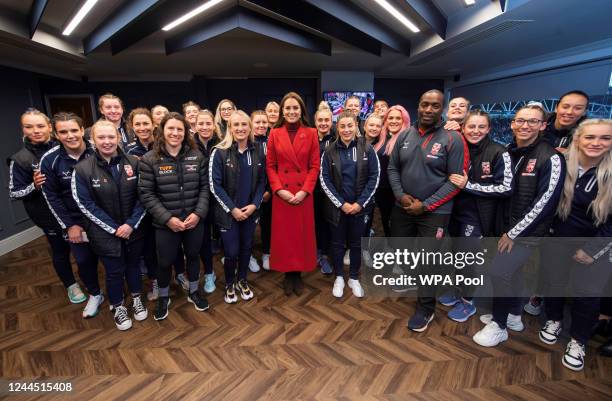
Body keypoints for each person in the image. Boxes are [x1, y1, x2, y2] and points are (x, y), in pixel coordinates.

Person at [472, 103, 565, 347]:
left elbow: (546, 201)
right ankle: (513, 315)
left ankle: (500, 326)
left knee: (499, 271)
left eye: (532, 121)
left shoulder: (550, 157)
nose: (525, 125)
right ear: (512, 124)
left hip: (526, 232)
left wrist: (514, 232)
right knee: (511, 273)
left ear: (543, 125)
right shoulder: (510, 151)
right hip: (507, 227)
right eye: (520, 121)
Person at [388, 90, 468, 332]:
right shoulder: (405, 135)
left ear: (441, 108)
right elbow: (392, 169)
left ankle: (426, 308)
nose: (429, 109)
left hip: (435, 212)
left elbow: (455, 180)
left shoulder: (453, 139)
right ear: (418, 106)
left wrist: (426, 205)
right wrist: (402, 197)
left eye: (435, 105)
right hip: (403, 206)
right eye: (425, 104)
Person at [536, 119, 611, 371]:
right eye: (590, 137)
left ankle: (579, 340)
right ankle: (554, 320)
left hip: (596, 243)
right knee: (553, 282)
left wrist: (592, 250)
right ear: (578, 139)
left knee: (587, 295)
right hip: (557, 237)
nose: (596, 143)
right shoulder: (560, 163)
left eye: (605, 138)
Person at [72, 120, 148, 330]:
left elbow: (145, 197)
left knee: (133, 266)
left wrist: (130, 224)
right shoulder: (82, 169)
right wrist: (114, 228)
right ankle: (118, 306)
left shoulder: (134, 163)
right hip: (105, 234)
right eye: (101, 137)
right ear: (92, 140)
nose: (107, 141)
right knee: (114, 272)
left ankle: (136, 297)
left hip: (133, 229)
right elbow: (84, 204)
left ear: (119, 138)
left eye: (111, 137)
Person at [8, 109, 85, 304]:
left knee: (83, 250)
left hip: (75, 211)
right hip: (47, 215)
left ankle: (89, 281)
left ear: (50, 128)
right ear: (23, 130)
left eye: (40, 126)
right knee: (60, 251)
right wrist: (34, 186)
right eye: (29, 126)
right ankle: (71, 285)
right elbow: (14, 192)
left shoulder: (64, 148)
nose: (35, 130)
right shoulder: (21, 159)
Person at [138, 112, 210, 320]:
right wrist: (168, 219)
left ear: (186, 132)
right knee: (165, 262)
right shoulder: (150, 159)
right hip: (165, 224)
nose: (175, 133)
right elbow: (147, 194)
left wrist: (198, 214)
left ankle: (194, 292)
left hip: (193, 221)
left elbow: (205, 188)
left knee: (194, 257)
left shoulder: (197, 156)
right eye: (171, 128)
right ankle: (163, 297)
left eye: (180, 129)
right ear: (162, 131)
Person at [443, 110, 513, 322]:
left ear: (489, 129)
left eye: (481, 127)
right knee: (457, 257)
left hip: (476, 217)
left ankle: (468, 302)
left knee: (467, 260)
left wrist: (469, 185)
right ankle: (458, 291)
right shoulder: (457, 146)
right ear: (463, 128)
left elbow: (506, 188)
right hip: (455, 212)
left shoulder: (498, 152)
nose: (476, 131)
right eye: (471, 126)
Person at [523, 91, 589, 316]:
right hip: (537, 195)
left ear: (584, 111)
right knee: (537, 252)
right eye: (566, 106)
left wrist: (570, 156)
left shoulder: (584, 134)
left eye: (578, 108)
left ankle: (547, 298)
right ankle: (537, 293)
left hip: (568, 202)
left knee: (557, 255)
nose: (571, 112)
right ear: (557, 106)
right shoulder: (541, 126)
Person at [40, 112, 102, 318]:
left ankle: (119, 296)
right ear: (56, 134)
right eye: (63, 132)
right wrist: (69, 226)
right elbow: (51, 197)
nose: (70, 136)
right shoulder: (50, 160)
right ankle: (95, 294)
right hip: (75, 222)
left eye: (74, 130)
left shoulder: (98, 151)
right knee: (84, 261)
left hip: (103, 218)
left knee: (113, 260)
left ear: (82, 130)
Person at [125, 108, 187, 300]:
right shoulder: (127, 151)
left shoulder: (162, 144)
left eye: (146, 123)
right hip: (141, 208)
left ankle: (181, 274)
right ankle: (157, 281)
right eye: (138, 124)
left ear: (154, 125)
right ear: (132, 127)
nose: (142, 128)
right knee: (152, 250)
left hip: (165, 207)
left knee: (175, 246)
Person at [320, 111, 379, 298]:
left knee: (356, 244)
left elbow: (374, 178)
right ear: (337, 127)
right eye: (342, 126)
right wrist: (341, 203)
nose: (346, 130)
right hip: (338, 209)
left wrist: (360, 204)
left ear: (356, 126)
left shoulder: (367, 149)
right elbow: (324, 180)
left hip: (360, 210)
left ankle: (353, 277)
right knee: (337, 244)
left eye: (350, 126)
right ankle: (339, 277)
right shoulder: (329, 151)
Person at [266, 92, 320, 295]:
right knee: (285, 235)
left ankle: (298, 273)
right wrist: (279, 190)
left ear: (301, 110)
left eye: (295, 108)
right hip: (282, 194)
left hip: (303, 193)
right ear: (282, 111)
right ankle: (288, 273)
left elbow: (314, 166)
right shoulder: (274, 133)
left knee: (301, 234)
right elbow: (271, 166)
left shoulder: (312, 133)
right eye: (287, 108)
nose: (291, 111)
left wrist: (305, 191)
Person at [210, 110, 266, 303]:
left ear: (250, 127)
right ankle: (229, 283)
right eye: (236, 125)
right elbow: (214, 185)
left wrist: (254, 205)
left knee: (246, 249)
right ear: (230, 128)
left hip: (250, 212)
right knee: (232, 252)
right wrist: (232, 209)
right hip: (228, 214)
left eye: (244, 124)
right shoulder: (219, 152)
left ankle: (242, 280)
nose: (241, 128)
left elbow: (262, 182)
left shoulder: (258, 150)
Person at [374, 105, 411, 237]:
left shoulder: (409, 138)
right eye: (390, 118)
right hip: (381, 191)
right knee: (384, 223)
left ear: (404, 120)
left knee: (397, 228)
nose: (394, 121)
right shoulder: (382, 138)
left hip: (398, 192)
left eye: (398, 118)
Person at [194, 109, 218, 294]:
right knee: (203, 240)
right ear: (195, 125)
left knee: (223, 239)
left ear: (214, 125)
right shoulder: (188, 146)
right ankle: (209, 272)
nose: (204, 127)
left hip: (219, 199)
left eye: (208, 123)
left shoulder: (222, 143)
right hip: (199, 200)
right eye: (200, 123)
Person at [314, 108, 335, 274]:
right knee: (314, 223)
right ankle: (315, 252)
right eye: (320, 120)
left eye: (326, 120)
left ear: (331, 122)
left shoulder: (336, 140)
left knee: (328, 224)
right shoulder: (309, 139)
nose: (323, 123)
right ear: (315, 122)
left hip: (331, 191)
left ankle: (325, 256)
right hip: (312, 191)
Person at [251, 110, 271, 271]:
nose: (261, 125)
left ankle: (266, 253)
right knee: (249, 227)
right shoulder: (246, 141)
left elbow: (275, 169)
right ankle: (248, 255)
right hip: (250, 194)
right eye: (257, 122)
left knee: (267, 224)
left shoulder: (273, 141)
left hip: (269, 193)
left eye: (264, 122)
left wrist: (269, 191)